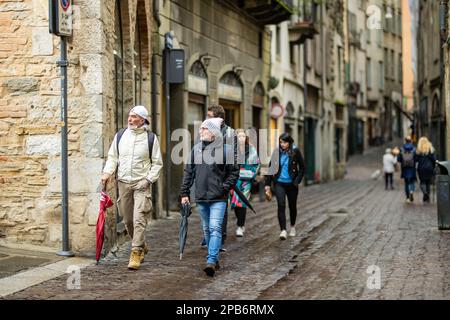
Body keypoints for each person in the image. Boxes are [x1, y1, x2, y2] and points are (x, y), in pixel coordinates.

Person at [101, 105, 163, 270]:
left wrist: (148, 180)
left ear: (142, 120)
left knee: (139, 218)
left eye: (134, 117)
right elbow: (113, 157)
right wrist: (107, 173)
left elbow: (157, 163)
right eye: (129, 116)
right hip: (123, 183)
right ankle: (142, 244)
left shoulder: (151, 138)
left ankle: (135, 253)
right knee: (128, 220)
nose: (130, 119)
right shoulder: (121, 135)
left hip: (141, 184)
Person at [180, 118, 239, 277]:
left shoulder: (226, 150)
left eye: (204, 129)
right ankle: (214, 257)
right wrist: (184, 193)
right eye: (200, 129)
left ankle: (211, 260)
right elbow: (188, 172)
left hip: (218, 198)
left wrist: (224, 187)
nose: (200, 131)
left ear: (213, 132)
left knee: (214, 227)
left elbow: (234, 172)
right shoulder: (196, 149)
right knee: (206, 228)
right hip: (201, 197)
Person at [200, 104, 238, 251]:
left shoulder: (230, 133)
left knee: (221, 205)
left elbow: (234, 155)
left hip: (222, 175)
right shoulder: (206, 129)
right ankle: (208, 235)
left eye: (210, 116)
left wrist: (228, 181)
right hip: (207, 171)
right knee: (206, 203)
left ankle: (220, 237)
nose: (207, 119)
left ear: (219, 118)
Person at [265, 133, 305, 240]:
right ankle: (283, 230)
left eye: (284, 142)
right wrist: (267, 185)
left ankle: (292, 226)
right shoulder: (277, 152)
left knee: (292, 206)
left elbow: (302, 168)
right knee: (281, 205)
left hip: (292, 184)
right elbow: (271, 168)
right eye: (281, 142)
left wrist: (297, 181)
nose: (282, 144)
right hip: (279, 183)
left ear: (289, 142)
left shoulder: (296, 151)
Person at [230, 129, 260, 237]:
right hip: (234, 180)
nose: (241, 138)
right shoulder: (232, 150)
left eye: (243, 136)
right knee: (235, 203)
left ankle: (239, 226)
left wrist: (252, 174)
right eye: (239, 136)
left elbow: (256, 164)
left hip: (246, 180)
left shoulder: (251, 149)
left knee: (242, 202)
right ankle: (240, 223)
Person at [415, 137, 436, 203]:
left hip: (421, 168)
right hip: (429, 168)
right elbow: (433, 159)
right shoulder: (430, 149)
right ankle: (428, 197)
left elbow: (416, 159)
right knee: (428, 182)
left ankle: (425, 193)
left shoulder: (419, 150)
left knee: (422, 182)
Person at [397, 136, 417, 202]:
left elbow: (399, 159)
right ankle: (411, 191)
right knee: (412, 181)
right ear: (410, 140)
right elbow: (416, 158)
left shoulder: (402, 149)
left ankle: (407, 197)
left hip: (405, 168)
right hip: (412, 167)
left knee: (406, 183)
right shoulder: (414, 148)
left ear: (405, 141)